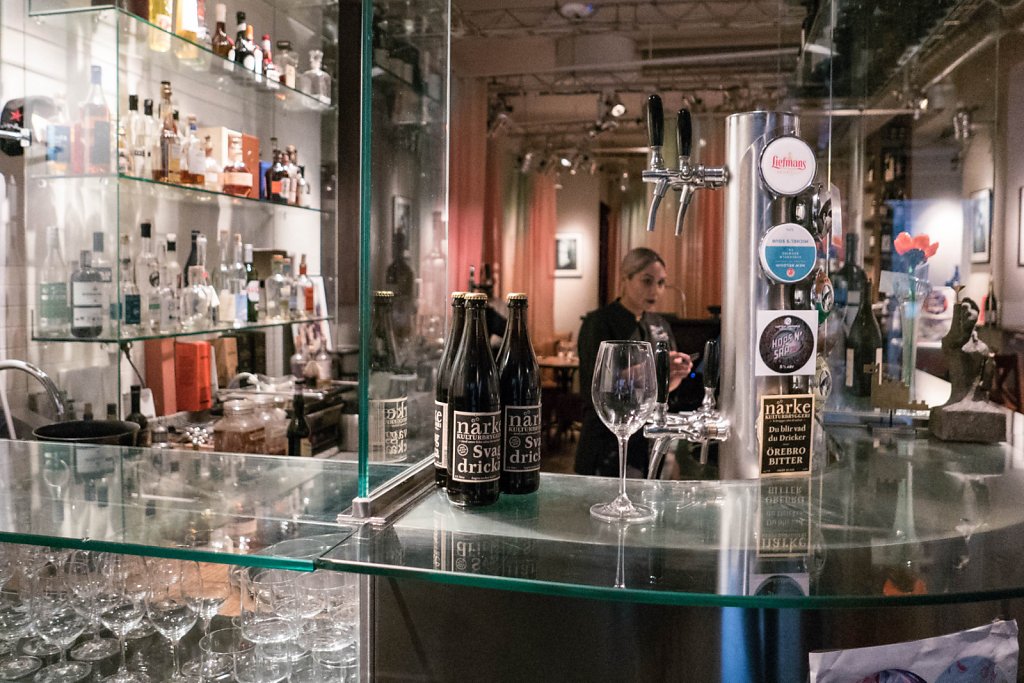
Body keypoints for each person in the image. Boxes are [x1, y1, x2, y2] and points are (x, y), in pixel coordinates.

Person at [574, 248, 693, 477]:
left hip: (648, 441)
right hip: (606, 441)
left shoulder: (660, 324)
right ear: (625, 279)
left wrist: (675, 373)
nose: (655, 290)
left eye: (661, 283)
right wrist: (653, 368)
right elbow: (599, 385)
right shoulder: (599, 322)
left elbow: (662, 390)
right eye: (647, 281)